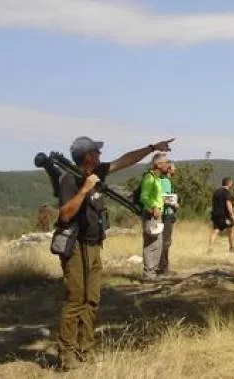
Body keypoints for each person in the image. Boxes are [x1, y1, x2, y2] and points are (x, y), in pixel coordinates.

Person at [55, 135, 174, 371]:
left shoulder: (98, 171)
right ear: (88, 156)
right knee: (75, 300)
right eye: (97, 152)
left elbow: (125, 160)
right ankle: (66, 354)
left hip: (94, 244)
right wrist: (85, 190)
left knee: (92, 300)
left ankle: (85, 349)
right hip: (76, 245)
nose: (101, 155)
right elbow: (65, 215)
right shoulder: (70, 179)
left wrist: (152, 148)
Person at [139, 152, 170, 281]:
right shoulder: (149, 178)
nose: (168, 165)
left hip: (157, 215)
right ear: (158, 164)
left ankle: (153, 272)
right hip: (151, 214)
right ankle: (148, 274)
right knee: (151, 244)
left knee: (157, 244)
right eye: (166, 163)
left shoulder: (157, 178)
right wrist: (153, 207)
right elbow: (144, 196)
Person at [158, 161, 179, 275]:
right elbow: (164, 197)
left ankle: (161, 266)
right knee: (166, 241)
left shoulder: (161, 180)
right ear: (169, 169)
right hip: (167, 214)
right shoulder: (166, 181)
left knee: (163, 241)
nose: (175, 170)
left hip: (163, 214)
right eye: (174, 168)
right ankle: (163, 268)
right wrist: (175, 204)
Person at [208, 177, 234, 252]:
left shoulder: (216, 192)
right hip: (224, 216)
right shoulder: (227, 192)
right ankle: (232, 247)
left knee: (216, 230)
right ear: (229, 183)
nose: (232, 185)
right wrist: (232, 215)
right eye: (231, 183)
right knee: (232, 229)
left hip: (215, 214)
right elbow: (228, 204)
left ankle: (210, 247)